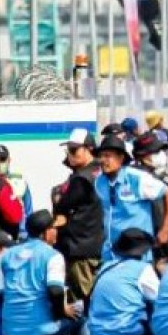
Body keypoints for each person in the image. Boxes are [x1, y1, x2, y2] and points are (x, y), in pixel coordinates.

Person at [0, 210, 83, 335]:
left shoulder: (6, 255)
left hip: (9, 331)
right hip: (42, 331)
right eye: (54, 228)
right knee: (81, 320)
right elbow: (55, 291)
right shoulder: (53, 256)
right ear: (46, 232)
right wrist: (62, 312)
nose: (57, 232)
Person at [94, 136, 168, 265]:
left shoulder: (136, 178)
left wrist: (165, 228)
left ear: (121, 158)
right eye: (101, 156)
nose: (103, 160)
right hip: (111, 251)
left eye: (108, 156)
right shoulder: (99, 182)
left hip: (137, 251)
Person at [52, 128, 104, 301]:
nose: (70, 155)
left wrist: (58, 198)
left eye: (74, 150)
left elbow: (62, 206)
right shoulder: (101, 170)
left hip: (80, 247)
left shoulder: (82, 178)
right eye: (68, 151)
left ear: (89, 148)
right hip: (98, 243)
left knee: (83, 299)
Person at [86, 228, 160, 335]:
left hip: (97, 334)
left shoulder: (105, 267)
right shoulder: (143, 269)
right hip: (126, 334)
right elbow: (160, 299)